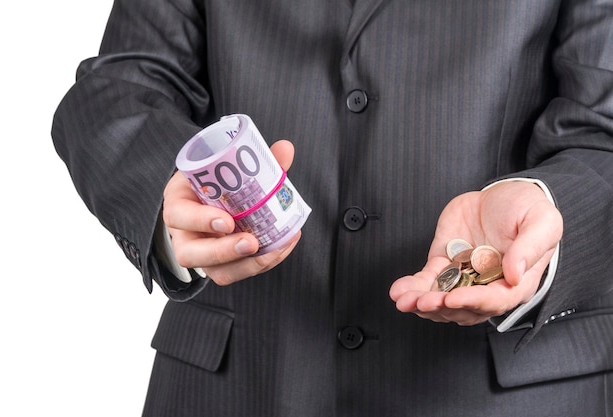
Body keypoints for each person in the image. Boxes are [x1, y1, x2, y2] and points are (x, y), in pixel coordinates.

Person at [52, 1, 613, 416]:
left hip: (513, 395)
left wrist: (546, 208)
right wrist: (166, 183)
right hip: (240, 387)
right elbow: (119, 86)